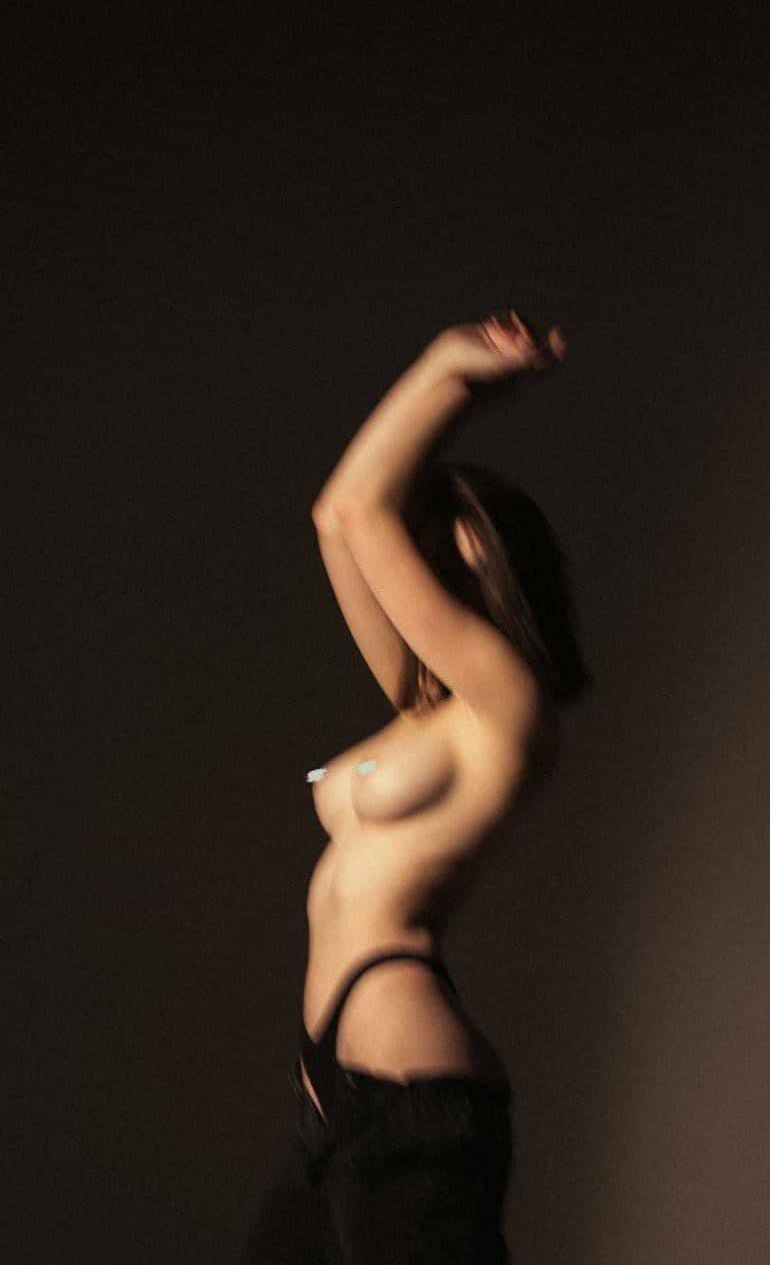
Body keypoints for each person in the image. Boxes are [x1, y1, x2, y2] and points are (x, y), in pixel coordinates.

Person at [239, 309, 592, 1263]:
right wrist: (443, 374)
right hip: (333, 1099)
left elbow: (365, 510)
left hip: (412, 1094)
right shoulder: (419, 703)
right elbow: (336, 516)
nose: (416, 582)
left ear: (499, 572)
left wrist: (452, 370)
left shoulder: (508, 708)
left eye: (447, 560)